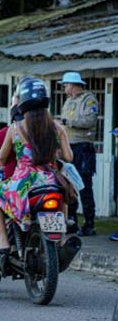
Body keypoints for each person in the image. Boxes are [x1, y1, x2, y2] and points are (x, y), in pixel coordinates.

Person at [0, 78, 73, 276]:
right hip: (51, 180)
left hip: (23, 184)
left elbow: (2, 159)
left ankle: (3, 241)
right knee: (62, 196)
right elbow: (69, 157)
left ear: (22, 102)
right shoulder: (57, 128)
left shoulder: (15, 129)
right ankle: (61, 238)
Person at [59, 71, 99, 236]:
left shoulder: (89, 99)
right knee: (69, 184)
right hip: (69, 146)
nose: (64, 88)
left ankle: (89, 223)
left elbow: (90, 120)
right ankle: (72, 220)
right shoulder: (69, 101)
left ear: (73, 85)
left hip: (83, 147)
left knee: (84, 185)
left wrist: (68, 122)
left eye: (66, 85)